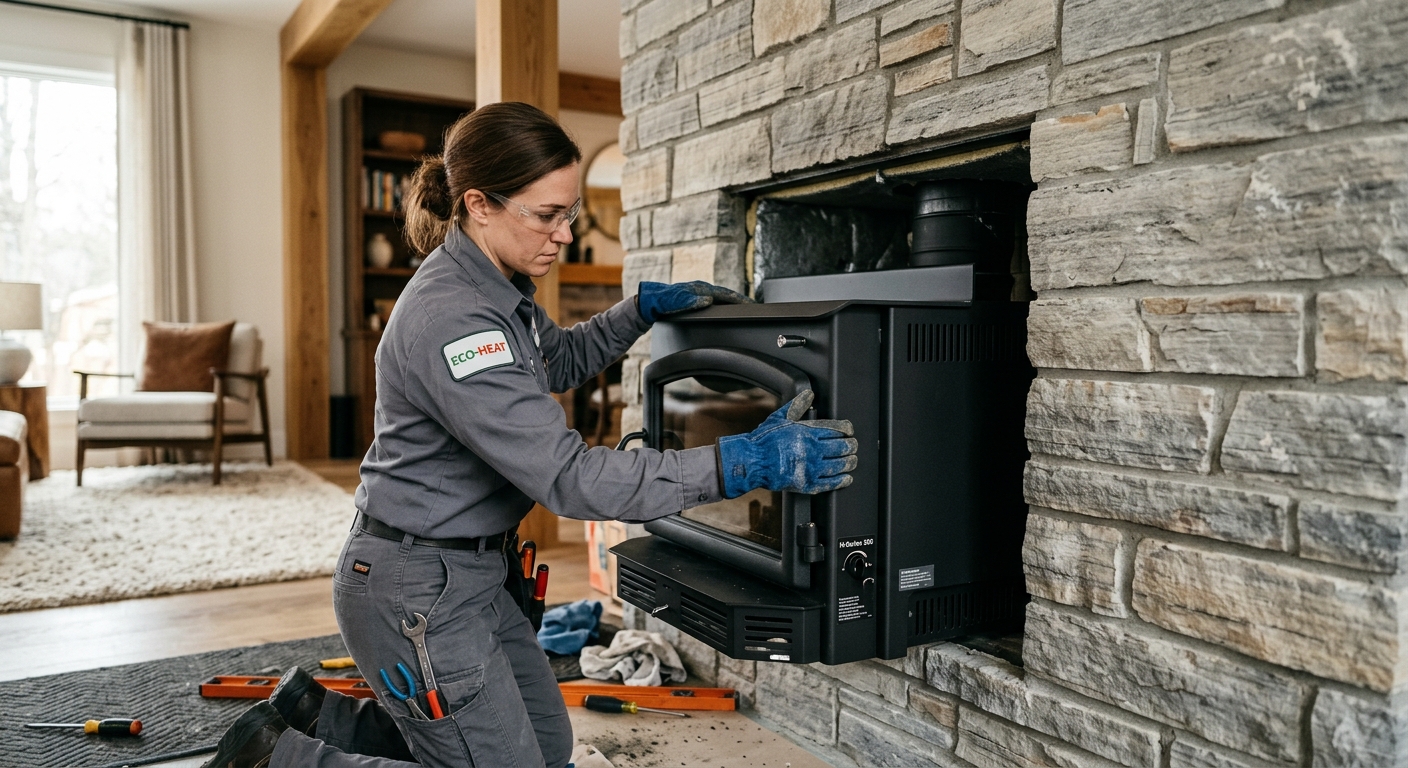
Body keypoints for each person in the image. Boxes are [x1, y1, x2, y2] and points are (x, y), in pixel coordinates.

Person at [202, 102, 858, 768]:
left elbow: (555, 362)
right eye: (546, 215)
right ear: (479, 204)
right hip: (415, 589)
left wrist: (634, 314)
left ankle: (322, 716)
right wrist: (741, 462)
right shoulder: (455, 319)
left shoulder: (500, 284)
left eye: (569, 212)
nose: (565, 234)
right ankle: (272, 760)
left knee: (548, 747)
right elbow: (570, 479)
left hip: (471, 572)